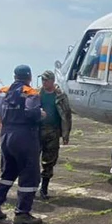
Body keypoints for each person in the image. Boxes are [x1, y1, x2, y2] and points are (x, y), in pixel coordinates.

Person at [0, 65, 45, 224]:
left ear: (15, 76)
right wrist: (41, 114)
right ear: (29, 77)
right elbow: (32, 112)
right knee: (29, 175)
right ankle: (22, 213)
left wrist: (6, 113)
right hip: (25, 137)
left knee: (8, 172)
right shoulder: (30, 92)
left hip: (7, 135)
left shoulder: (3, 91)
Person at [37, 69, 72, 200]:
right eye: (42, 80)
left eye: (46, 80)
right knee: (32, 159)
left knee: (49, 160)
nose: (44, 82)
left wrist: (66, 134)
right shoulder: (37, 94)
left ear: (52, 81)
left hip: (53, 131)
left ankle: (44, 188)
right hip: (37, 130)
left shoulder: (60, 96)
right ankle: (32, 186)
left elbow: (67, 115)